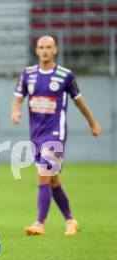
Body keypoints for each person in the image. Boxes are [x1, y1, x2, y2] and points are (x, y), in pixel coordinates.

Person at [10, 35, 102, 236]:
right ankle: (71, 220)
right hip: (36, 135)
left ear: (55, 50)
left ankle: (39, 223)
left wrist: (93, 123)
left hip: (55, 135)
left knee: (43, 173)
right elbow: (18, 98)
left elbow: (79, 101)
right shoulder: (27, 74)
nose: (44, 50)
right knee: (53, 181)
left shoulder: (65, 75)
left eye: (48, 47)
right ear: (36, 50)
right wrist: (15, 112)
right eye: (41, 47)